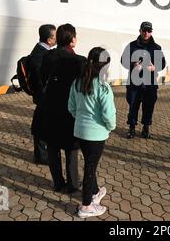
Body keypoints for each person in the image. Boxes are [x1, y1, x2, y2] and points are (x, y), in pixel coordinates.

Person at [68, 47, 116, 218]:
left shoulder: (77, 82)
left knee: (89, 163)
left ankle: (95, 192)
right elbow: (108, 115)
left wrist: (81, 120)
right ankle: (86, 206)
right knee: (90, 168)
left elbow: (71, 107)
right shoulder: (103, 87)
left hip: (80, 132)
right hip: (96, 135)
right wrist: (110, 127)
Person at [39, 24, 86, 193]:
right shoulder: (79, 60)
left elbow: (43, 78)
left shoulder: (48, 56)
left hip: (50, 108)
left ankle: (58, 182)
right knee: (71, 148)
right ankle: (73, 185)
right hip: (70, 111)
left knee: (52, 146)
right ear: (72, 39)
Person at [121, 21, 166, 139]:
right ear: (140, 31)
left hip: (150, 84)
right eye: (144, 30)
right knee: (133, 107)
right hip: (134, 84)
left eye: (149, 31)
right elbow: (123, 61)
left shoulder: (156, 47)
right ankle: (131, 129)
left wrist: (154, 67)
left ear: (151, 32)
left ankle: (146, 128)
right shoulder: (131, 46)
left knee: (148, 107)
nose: (146, 33)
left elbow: (162, 63)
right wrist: (133, 64)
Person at [28, 24, 56, 165]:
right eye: (55, 35)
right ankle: (41, 155)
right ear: (49, 39)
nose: (57, 38)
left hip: (44, 96)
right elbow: (40, 79)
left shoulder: (41, 50)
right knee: (40, 125)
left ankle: (41, 153)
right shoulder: (40, 54)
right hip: (43, 96)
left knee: (41, 123)